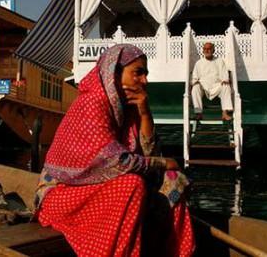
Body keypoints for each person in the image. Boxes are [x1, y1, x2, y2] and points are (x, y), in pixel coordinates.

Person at [35, 44, 195, 257]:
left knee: (173, 179)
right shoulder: (93, 102)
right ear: (115, 72)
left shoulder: (128, 108)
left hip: (99, 188)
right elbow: (116, 161)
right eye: (138, 73)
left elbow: (146, 155)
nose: (145, 81)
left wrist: (145, 114)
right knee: (131, 185)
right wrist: (162, 162)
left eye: (145, 74)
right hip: (62, 193)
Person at [191, 42, 233, 121]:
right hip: (204, 86)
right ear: (203, 51)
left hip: (216, 86)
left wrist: (225, 80)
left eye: (209, 49)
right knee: (195, 88)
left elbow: (224, 74)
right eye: (205, 49)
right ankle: (198, 113)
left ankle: (225, 113)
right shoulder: (199, 63)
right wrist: (195, 82)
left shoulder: (220, 61)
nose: (207, 51)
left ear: (213, 50)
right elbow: (194, 77)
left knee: (226, 86)